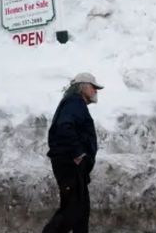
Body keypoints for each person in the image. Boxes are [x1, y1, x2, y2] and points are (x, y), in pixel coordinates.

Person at [42, 72, 103, 233]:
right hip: (70, 165)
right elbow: (64, 127)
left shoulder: (75, 104)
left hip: (75, 166)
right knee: (72, 211)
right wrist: (79, 154)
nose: (96, 91)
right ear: (82, 87)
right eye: (93, 87)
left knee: (81, 211)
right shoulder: (74, 103)